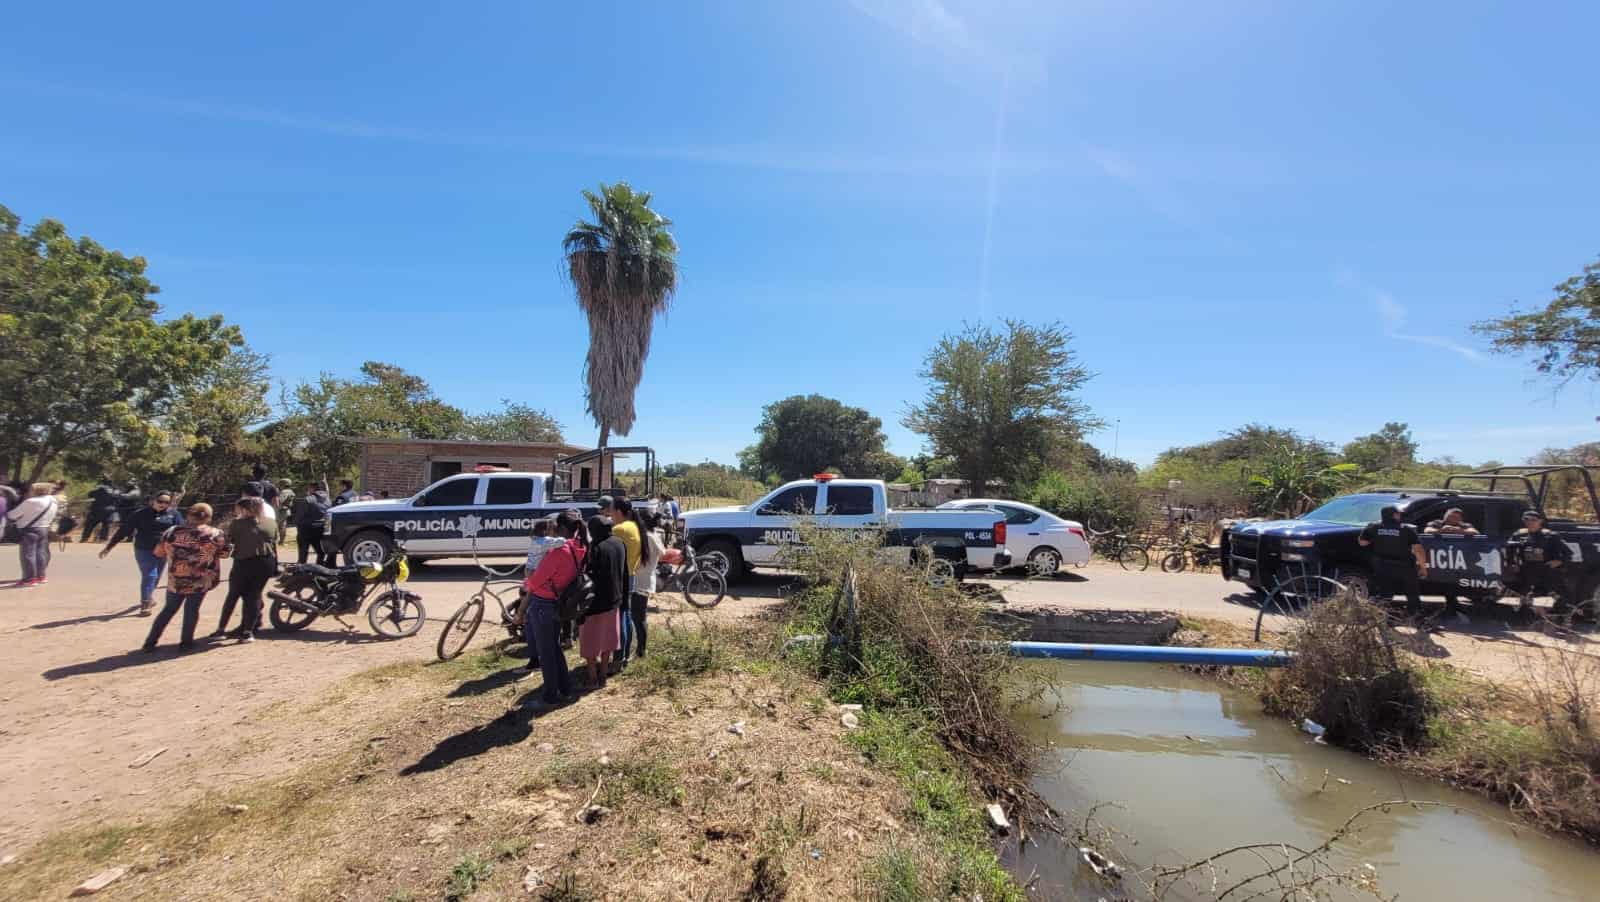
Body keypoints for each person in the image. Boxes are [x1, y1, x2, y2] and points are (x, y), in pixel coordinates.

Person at [516, 510, 588, 704]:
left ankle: (550, 696)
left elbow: (534, 580)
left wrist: (529, 573)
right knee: (554, 648)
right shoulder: (579, 546)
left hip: (543, 602)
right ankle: (565, 688)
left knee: (546, 651)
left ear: (562, 528)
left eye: (555, 527)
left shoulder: (559, 551)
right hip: (558, 601)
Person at [142, 503, 229, 652]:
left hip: (176, 579)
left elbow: (158, 552)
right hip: (200, 579)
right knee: (192, 610)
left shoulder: (172, 531)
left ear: (189, 514)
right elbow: (225, 554)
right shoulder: (215, 534)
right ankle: (186, 642)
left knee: (168, 610)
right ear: (208, 517)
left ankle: (150, 642)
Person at [101, 491, 183, 615]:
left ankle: (149, 596)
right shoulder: (140, 514)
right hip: (144, 549)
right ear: (153, 501)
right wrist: (109, 547)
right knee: (150, 575)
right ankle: (145, 603)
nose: (163, 504)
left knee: (156, 577)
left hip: (163, 550)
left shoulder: (174, 514)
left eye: (166, 502)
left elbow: (182, 531)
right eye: (160, 501)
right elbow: (123, 530)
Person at [213, 497, 277, 642]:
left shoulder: (237, 523)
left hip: (244, 562)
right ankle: (248, 632)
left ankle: (221, 629)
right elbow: (274, 539)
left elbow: (230, 540)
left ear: (245, 509)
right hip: (266, 561)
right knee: (254, 596)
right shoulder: (270, 522)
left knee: (233, 595)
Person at [580, 514, 627, 689]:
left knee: (590, 641)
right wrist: (624, 598)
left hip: (594, 604)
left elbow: (588, 576)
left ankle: (592, 678)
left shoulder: (596, 547)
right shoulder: (619, 543)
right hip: (614, 600)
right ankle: (603, 676)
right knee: (608, 640)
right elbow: (624, 573)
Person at [1358, 505, 1428, 621]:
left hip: (1383, 566)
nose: (1400, 515)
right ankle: (1416, 619)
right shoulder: (1405, 529)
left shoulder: (1373, 527)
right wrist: (1423, 567)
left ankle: (1384, 619)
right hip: (1405, 566)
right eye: (1398, 513)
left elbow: (1362, 543)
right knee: (1412, 593)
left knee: (1385, 594)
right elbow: (1418, 550)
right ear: (1393, 515)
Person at [600, 496, 642, 667]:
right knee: (626, 616)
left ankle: (618, 659)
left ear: (618, 511)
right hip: (631, 575)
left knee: (620, 618)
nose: (609, 514)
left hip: (620, 578)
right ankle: (624, 655)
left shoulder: (619, 530)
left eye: (610, 510)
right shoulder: (633, 526)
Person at [1512, 510, 1574, 619]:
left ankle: (1559, 620)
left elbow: (1568, 553)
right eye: (1526, 519)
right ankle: (1534, 620)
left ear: (1540, 521)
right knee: (1527, 598)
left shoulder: (1550, 536)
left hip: (1546, 571)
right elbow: (1510, 549)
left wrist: (1558, 561)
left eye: (1533, 520)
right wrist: (1513, 563)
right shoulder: (1519, 534)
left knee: (1552, 597)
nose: (1530, 522)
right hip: (1528, 571)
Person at [1423, 508, 1479, 625]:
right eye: (1451, 516)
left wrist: (1460, 531)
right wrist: (1441, 531)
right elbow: (1427, 531)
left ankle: (1453, 608)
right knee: (1443, 583)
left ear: (1460, 519)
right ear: (1445, 516)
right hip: (1440, 560)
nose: (1453, 519)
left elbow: (1475, 533)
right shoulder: (1437, 523)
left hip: (1459, 561)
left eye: (1456, 517)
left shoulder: (1464, 525)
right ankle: (1451, 607)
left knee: (1453, 584)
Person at [625, 511, 666, 661]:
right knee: (640, 617)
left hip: (640, 581)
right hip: (647, 579)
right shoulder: (654, 535)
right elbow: (662, 554)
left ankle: (640, 652)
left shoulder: (645, 538)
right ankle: (640, 650)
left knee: (638, 617)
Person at [7, 484, 61, 587]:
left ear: (36, 491)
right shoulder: (52, 501)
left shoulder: (31, 502)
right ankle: (41, 576)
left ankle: (29, 579)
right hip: (44, 528)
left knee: (28, 555)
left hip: (29, 530)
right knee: (41, 553)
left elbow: (12, 515)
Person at [293, 483, 332, 565]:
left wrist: (296, 523)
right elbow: (329, 515)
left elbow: (300, 514)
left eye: (309, 489)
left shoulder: (307, 499)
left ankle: (301, 567)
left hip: (306, 528)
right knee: (320, 550)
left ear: (312, 489)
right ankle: (319, 566)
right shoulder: (328, 500)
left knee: (303, 550)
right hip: (321, 528)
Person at [81, 479, 121, 543]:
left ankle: (85, 538)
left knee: (90, 524)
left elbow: (90, 494)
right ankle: (103, 539)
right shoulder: (115, 491)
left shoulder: (98, 489)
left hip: (97, 510)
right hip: (107, 510)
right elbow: (118, 499)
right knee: (105, 525)